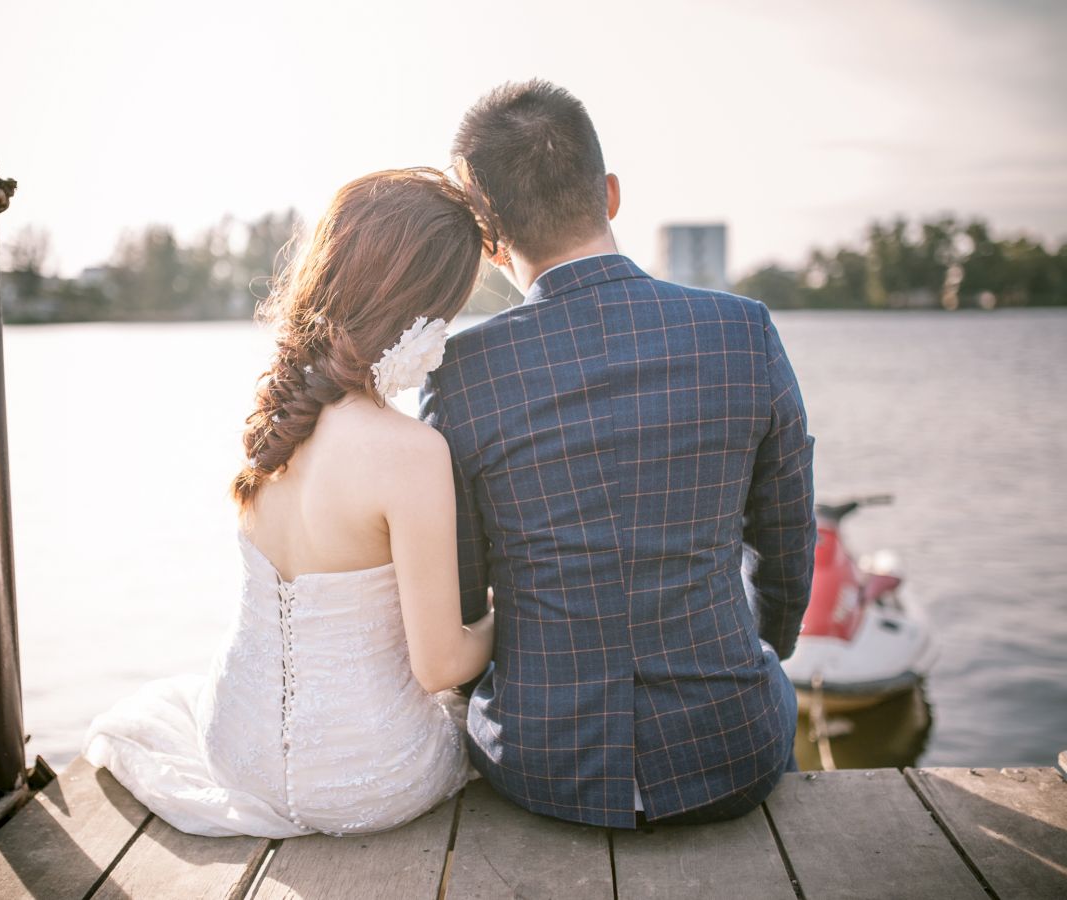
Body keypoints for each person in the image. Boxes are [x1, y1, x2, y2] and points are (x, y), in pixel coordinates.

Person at [420, 80, 816, 828]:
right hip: (731, 752)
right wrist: (759, 650)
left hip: (542, 768)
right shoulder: (744, 332)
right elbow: (789, 541)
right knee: (769, 688)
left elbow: (466, 597)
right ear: (609, 193)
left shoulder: (460, 376)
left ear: (491, 239)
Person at [83, 168, 495, 838]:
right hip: (374, 774)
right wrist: (503, 620)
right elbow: (439, 665)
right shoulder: (411, 452)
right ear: (422, 312)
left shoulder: (277, 427)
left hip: (235, 750)